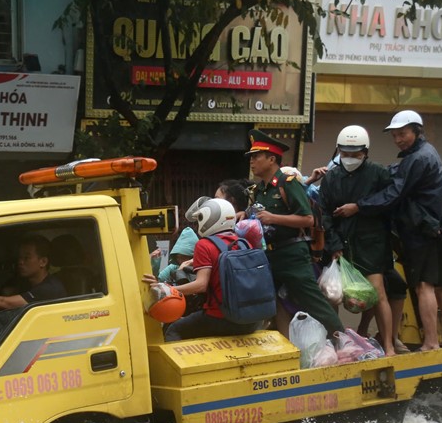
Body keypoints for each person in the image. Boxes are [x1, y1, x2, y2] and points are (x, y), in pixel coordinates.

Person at [335, 110, 442, 350]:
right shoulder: (424, 154)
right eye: (394, 135)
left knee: (423, 286)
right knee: (440, 287)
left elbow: (393, 193)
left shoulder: (418, 159)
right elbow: (398, 175)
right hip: (437, 229)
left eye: (402, 134)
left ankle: (431, 342)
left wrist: (358, 206)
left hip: (424, 230)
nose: (398, 139)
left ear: (417, 131)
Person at [248, 129, 345, 338]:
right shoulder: (259, 190)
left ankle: (344, 340)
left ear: (272, 158)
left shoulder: (288, 182)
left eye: (256, 156)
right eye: (251, 157)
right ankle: (286, 347)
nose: (252, 161)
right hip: (268, 255)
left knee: (313, 301)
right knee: (268, 302)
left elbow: (307, 219)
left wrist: (273, 218)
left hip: (292, 254)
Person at [318, 125, 398, 356]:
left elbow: (389, 201)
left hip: (372, 244)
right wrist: (334, 247)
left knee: (378, 293)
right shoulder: (332, 178)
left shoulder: (379, 174)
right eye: (345, 153)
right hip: (341, 246)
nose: (350, 158)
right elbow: (324, 214)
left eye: (355, 154)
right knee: (333, 295)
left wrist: (359, 208)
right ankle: (336, 344)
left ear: (365, 152)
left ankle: (390, 346)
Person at [142, 198, 262, 341]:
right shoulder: (243, 242)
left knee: (174, 329)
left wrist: (167, 288)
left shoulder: (204, 245)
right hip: (253, 319)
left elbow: (201, 285)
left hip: (223, 318)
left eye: (200, 219)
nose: (198, 224)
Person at [0, 234, 66, 310]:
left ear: (43, 261)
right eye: (19, 258)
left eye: (26, 258)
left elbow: (5, 303)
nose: (20, 262)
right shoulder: (25, 283)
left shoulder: (50, 288)